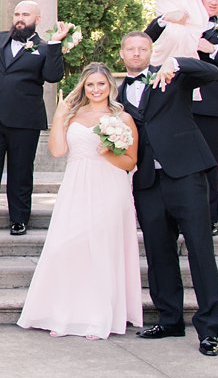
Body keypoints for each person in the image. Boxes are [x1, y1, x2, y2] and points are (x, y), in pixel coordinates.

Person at [117, 31, 218, 357]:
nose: (136, 53)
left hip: (186, 174)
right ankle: (169, 319)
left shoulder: (173, 75)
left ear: (151, 51)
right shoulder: (116, 93)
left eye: (142, 48)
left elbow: (212, 73)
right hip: (147, 182)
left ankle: (208, 330)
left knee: (200, 250)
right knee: (159, 253)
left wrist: (177, 61)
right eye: (131, 49)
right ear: (122, 54)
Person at [17, 64, 142, 340]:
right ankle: (64, 313)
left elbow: (131, 161)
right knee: (65, 246)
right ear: (83, 87)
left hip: (110, 186)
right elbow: (58, 151)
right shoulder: (72, 115)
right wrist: (60, 115)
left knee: (102, 249)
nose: (96, 90)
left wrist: (108, 153)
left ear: (110, 86)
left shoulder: (123, 118)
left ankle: (98, 318)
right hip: (76, 185)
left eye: (101, 84)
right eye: (90, 85)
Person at [144, 0, 218, 236]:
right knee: (173, 162)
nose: (213, 1)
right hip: (175, 105)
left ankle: (208, 220)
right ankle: (173, 216)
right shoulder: (179, 20)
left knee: (209, 165)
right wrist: (163, 19)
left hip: (210, 109)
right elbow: (145, 41)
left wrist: (213, 49)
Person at [0, 0, 70, 237]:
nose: (20, 18)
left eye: (26, 15)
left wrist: (55, 44)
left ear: (37, 20)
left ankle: (19, 220)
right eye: (17, 14)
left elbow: (53, 76)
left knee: (21, 172)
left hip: (25, 120)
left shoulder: (44, 47)